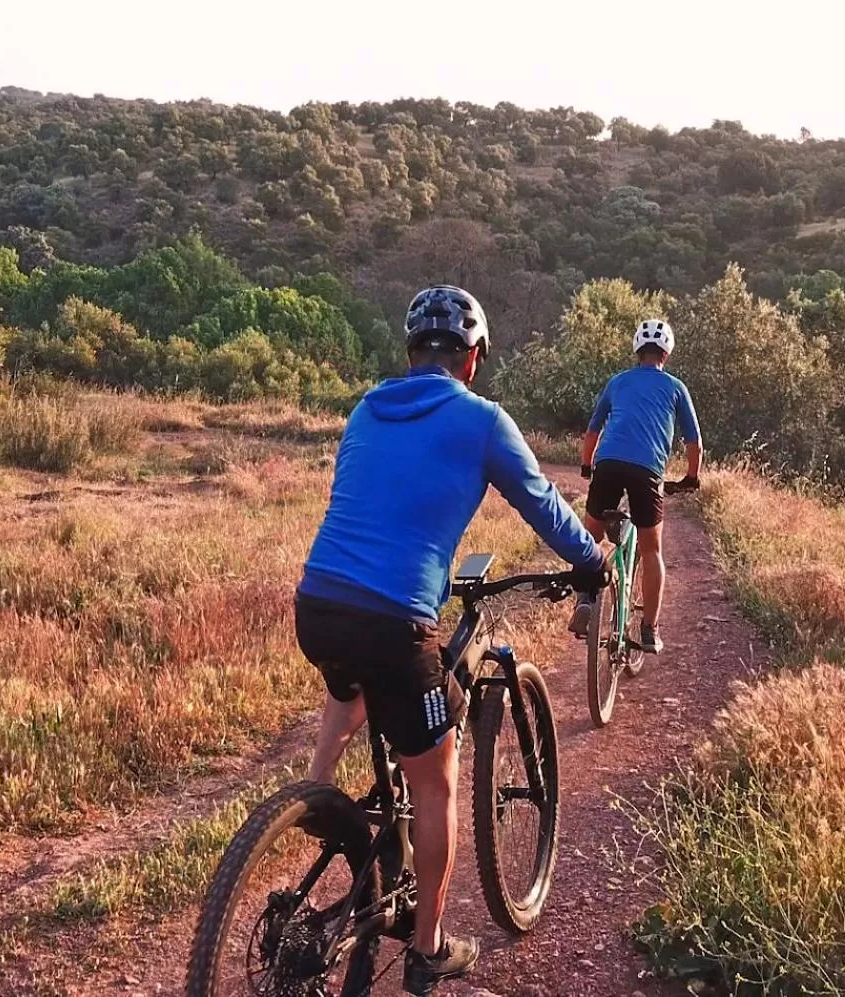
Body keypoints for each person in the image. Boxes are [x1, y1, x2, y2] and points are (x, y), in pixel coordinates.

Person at [294, 285, 609, 996]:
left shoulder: (368, 407)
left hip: (317, 604)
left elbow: (371, 508)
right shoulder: (483, 420)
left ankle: (317, 799)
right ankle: (430, 946)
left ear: (412, 354)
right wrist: (591, 561)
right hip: (392, 622)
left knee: (353, 689)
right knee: (436, 779)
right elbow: (548, 510)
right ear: (473, 359)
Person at [570, 318, 702, 655]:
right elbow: (694, 443)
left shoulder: (617, 382)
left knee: (592, 536)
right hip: (647, 473)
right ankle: (648, 629)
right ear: (666, 355)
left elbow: (592, 431)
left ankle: (584, 597)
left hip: (609, 465)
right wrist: (691, 477)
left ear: (636, 351)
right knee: (651, 550)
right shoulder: (676, 387)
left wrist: (587, 466)